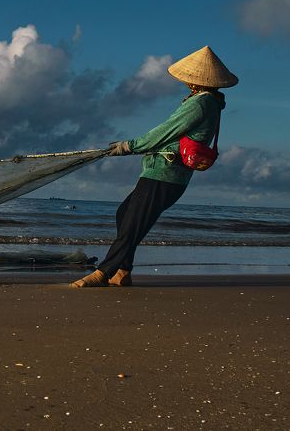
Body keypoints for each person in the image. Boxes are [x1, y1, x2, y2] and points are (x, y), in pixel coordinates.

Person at [70, 45, 238, 288]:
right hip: (166, 173)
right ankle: (123, 272)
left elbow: (164, 132)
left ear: (195, 81)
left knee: (132, 224)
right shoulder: (208, 102)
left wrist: (129, 146)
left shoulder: (200, 104)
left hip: (166, 173)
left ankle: (104, 272)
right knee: (125, 214)